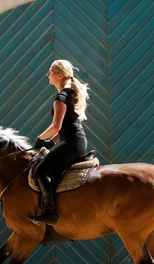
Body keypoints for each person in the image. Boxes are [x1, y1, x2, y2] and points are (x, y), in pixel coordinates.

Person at [30, 60, 89, 226]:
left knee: (40, 171)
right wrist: (51, 142)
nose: (48, 75)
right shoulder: (70, 93)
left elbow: (56, 127)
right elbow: (65, 127)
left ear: (60, 75)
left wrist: (40, 138)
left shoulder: (60, 98)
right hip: (75, 141)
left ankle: (51, 212)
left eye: (50, 72)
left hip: (72, 143)